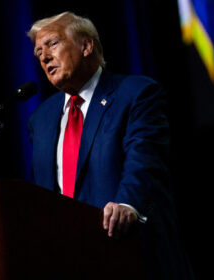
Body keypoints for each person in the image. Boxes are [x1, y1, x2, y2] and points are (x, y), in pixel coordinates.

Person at [27, 11, 192, 279]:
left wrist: (128, 205)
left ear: (86, 45)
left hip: (128, 253)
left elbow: (145, 163)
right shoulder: (41, 119)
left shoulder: (136, 94)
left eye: (53, 43)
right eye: (38, 52)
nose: (44, 56)